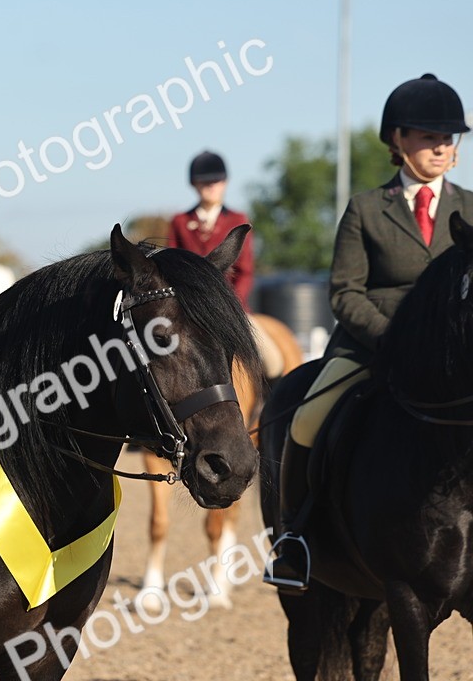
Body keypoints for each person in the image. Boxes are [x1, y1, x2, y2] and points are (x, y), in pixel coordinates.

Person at [265, 73, 473, 592]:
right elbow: (344, 292)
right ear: (398, 140)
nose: (441, 147)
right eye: (428, 136)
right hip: (370, 347)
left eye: (448, 138)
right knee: (307, 419)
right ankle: (296, 540)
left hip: (452, 356)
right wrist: (395, 342)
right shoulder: (365, 208)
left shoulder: (470, 207)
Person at [168, 150, 283, 377]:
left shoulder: (238, 220)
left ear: (225, 183)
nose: (211, 186)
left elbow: (245, 271)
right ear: (194, 184)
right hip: (190, 307)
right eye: (205, 182)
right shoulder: (179, 222)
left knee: (273, 362)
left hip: (230, 306)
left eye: (216, 181)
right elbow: (171, 268)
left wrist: (230, 305)